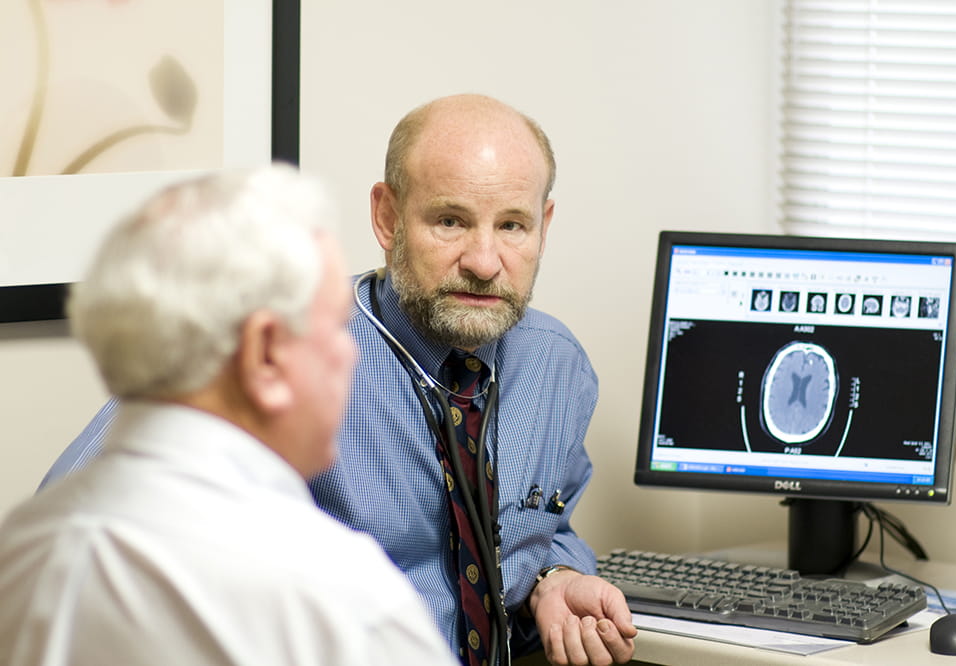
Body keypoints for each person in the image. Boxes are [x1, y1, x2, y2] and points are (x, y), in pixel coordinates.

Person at [40, 95, 637, 666]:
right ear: (386, 216)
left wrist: (555, 578)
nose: (484, 262)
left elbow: (547, 525)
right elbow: (72, 545)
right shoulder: (278, 351)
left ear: (544, 225)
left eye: (512, 226)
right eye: (450, 221)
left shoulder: (554, 365)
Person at [0, 166, 455, 666]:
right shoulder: (339, 596)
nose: (352, 355)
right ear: (265, 354)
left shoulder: (24, 547)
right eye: (337, 328)